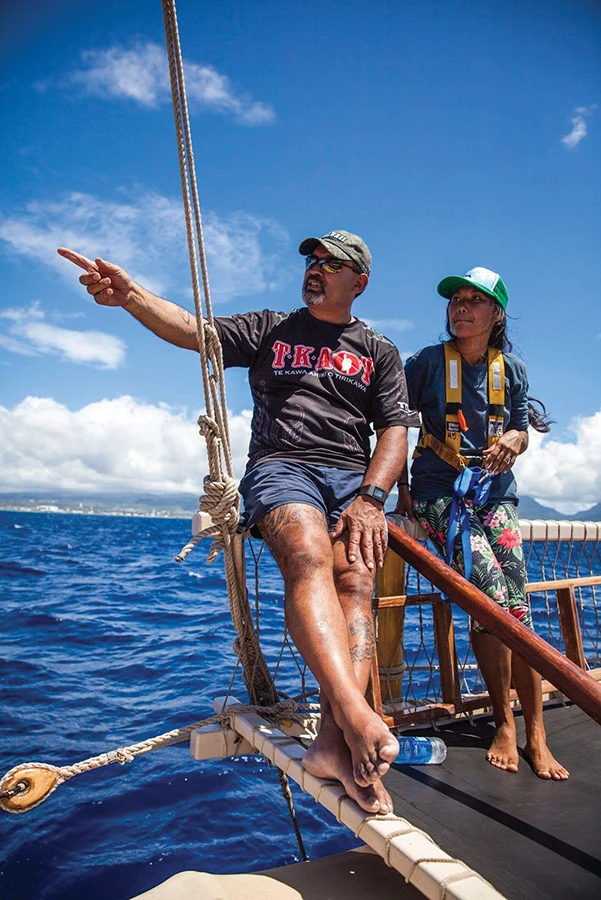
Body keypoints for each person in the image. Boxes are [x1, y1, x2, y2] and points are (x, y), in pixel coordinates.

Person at [58, 231, 420, 813]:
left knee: (354, 577)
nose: (315, 268)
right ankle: (357, 715)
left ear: (360, 281)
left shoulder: (378, 350)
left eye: (331, 263)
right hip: (283, 467)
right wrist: (130, 296)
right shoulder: (272, 328)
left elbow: (396, 431)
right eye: (311, 260)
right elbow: (193, 330)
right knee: (307, 552)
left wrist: (373, 499)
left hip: (352, 478)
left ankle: (330, 742)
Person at [394, 266, 569, 780]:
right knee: (492, 599)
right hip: (437, 495)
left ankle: (534, 730)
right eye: (456, 300)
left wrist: (519, 438)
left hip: (496, 497)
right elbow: (393, 423)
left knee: (520, 609)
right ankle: (504, 724)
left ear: (496, 315)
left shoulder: (510, 370)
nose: (461, 308)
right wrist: (398, 489)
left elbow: (517, 425)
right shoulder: (425, 364)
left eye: (475, 301)